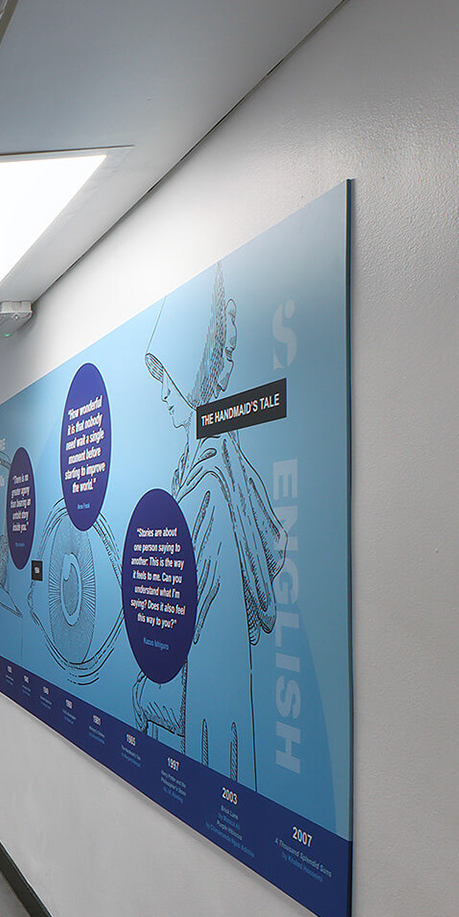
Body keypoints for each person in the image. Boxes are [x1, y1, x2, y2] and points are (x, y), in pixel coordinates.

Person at [133, 266, 285, 787]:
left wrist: (145, 696)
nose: (163, 394)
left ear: (192, 375)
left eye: (169, 379)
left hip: (208, 743)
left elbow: (211, 682)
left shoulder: (211, 492)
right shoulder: (202, 469)